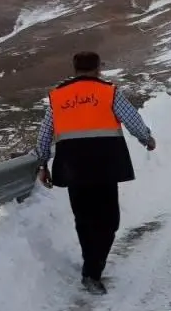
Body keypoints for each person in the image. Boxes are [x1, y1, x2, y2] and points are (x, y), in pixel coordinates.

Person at [34, 50, 156, 294]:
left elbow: (45, 133)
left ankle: (90, 265)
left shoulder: (58, 97)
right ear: (99, 68)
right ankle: (92, 269)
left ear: (74, 68)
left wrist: (42, 164)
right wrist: (146, 139)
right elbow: (132, 120)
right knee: (109, 220)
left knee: (84, 219)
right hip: (105, 166)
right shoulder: (109, 92)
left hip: (72, 167)